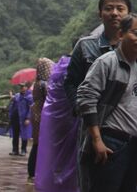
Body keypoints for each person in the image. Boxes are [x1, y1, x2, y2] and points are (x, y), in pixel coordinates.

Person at [76, 13, 137, 192]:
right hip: (110, 141)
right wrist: (97, 140)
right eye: (136, 33)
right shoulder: (107, 62)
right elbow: (86, 98)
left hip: (132, 145)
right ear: (120, 34)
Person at [64, 0, 137, 112]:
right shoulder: (85, 45)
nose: (114, 13)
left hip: (131, 116)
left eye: (120, 9)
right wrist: (79, 108)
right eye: (108, 8)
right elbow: (71, 82)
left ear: (128, 14)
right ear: (100, 14)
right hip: (93, 115)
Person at [35, 56, 79, 192]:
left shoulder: (54, 75)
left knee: (51, 154)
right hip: (69, 120)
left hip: (49, 120)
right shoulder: (72, 71)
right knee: (67, 156)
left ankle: (51, 183)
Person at [28, 57, 55, 180]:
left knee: (36, 143)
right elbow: (50, 98)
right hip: (42, 116)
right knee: (39, 145)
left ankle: (32, 172)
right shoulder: (44, 84)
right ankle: (35, 172)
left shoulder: (37, 82)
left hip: (36, 114)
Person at [9, 82, 33, 156]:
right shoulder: (17, 95)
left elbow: (31, 109)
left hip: (23, 118)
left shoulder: (30, 97)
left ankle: (23, 150)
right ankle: (15, 150)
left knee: (24, 135)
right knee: (15, 134)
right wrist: (11, 97)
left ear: (27, 87)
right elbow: (13, 103)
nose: (22, 88)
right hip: (16, 118)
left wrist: (28, 118)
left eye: (23, 86)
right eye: (21, 87)